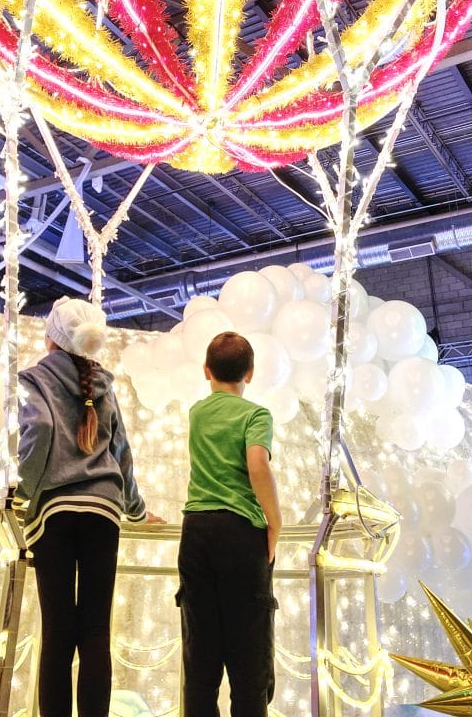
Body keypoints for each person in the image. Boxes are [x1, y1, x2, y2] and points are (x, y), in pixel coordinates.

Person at [17, 297, 160, 717]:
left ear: (51, 339)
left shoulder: (34, 380)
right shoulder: (105, 385)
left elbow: (39, 429)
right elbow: (121, 450)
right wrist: (135, 510)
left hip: (54, 515)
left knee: (58, 633)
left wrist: (23, 495)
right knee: (96, 629)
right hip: (104, 512)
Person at [176, 331, 283, 717]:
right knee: (248, 661)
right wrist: (275, 522)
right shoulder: (256, 415)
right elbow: (257, 464)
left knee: (200, 659)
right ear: (250, 374)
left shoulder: (197, 412)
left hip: (197, 532)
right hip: (241, 536)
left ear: (207, 371)